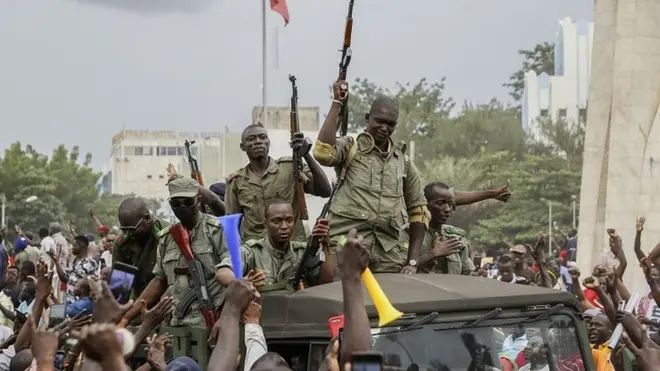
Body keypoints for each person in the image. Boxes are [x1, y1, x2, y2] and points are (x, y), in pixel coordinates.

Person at [313, 83, 511, 275]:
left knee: (389, 304)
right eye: (379, 121)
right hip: (346, 243)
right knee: (344, 300)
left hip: (387, 252)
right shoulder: (351, 147)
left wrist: (412, 262)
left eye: (390, 124)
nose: (384, 128)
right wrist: (337, 103)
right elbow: (323, 152)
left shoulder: (403, 163)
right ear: (367, 118)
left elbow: (419, 212)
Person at [123, 176, 228, 329]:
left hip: (213, 321)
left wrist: (225, 319)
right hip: (178, 322)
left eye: (188, 202)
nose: (182, 207)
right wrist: (126, 318)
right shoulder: (167, 238)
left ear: (198, 200)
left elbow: (235, 280)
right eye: (176, 203)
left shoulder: (218, 230)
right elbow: (159, 281)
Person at [225, 124, 332, 243]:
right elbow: (231, 226)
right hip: (257, 253)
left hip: (293, 249)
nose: (258, 141)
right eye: (251, 139)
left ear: (268, 142)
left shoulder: (290, 167)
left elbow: (325, 191)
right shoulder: (236, 181)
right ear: (242, 146)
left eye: (262, 137)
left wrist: (305, 154)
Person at [216, 199, 333, 290]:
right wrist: (242, 282)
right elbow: (222, 273)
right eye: (277, 221)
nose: (284, 226)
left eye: (289, 220)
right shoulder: (252, 251)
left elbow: (325, 282)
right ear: (266, 223)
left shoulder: (302, 252)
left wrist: (325, 245)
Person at [112, 197, 167, 297]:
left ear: (147, 218)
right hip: (137, 300)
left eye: (132, 229)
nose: (128, 234)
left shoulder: (167, 236)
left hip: (165, 299)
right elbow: (120, 287)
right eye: (124, 230)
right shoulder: (121, 243)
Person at [415, 182, 474, 275]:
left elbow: (467, 274)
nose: (447, 209)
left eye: (450, 204)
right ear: (425, 204)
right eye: (440, 203)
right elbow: (399, 271)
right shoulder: (409, 234)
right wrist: (432, 254)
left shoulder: (455, 237)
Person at [50, 235, 99, 303]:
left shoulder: (90, 263)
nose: (72, 248)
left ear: (81, 245)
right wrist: (56, 261)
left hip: (80, 305)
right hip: (69, 302)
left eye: (74, 245)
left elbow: (93, 285)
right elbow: (64, 279)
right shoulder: (74, 262)